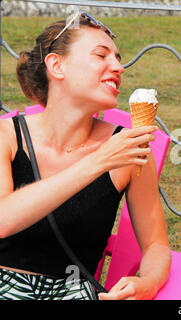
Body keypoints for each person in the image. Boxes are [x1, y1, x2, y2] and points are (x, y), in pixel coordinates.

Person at [0, 12, 171, 300]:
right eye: (101, 55)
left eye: (117, 58)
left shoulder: (128, 149)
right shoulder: (7, 137)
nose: (118, 67)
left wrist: (149, 282)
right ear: (57, 65)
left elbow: (156, 245)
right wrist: (98, 161)